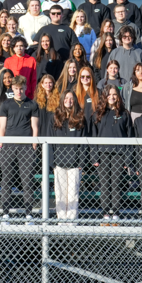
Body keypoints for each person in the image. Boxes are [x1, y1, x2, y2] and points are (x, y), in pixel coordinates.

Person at [0, 75, 40, 225]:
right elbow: (2, 127)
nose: (19, 91)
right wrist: (0, 145)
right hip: (8, 145)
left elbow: (35, 127)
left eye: (21, 88)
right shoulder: (6, 104)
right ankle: (5, 214)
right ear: (12, 89)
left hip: (26, 146)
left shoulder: (32, 104)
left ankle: (29, 214)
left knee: (27, 180)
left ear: (25, 88)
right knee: (7, 180)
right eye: (16, 88)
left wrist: (33, 145)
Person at [92, 85, 134, 222]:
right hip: (102, 153)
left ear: (118, 96)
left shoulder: (125, 114)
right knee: (104, 184)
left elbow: (129, 137)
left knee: (115, 184)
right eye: (109, 94)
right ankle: (105, 214)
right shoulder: (98, 113)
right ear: (104, 96)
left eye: (114, 94)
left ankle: (115, 213)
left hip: (119, 154)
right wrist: (94, 156)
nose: (112, 97)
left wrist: (128, 159)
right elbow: (93, 136)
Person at [50, 90, 88, 223]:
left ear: (75, 101)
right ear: (62, 100)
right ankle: (62, 221)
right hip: (59, 163)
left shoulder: (80, 118)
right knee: (60, 194)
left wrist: (81, 162)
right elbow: (49, 141)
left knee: (73, 194)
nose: (69, 101)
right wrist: (52, 163)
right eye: (66, 98)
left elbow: (84, 142)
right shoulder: (55, 117)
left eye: (71, 99)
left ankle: (71, 222)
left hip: (74, 164)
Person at [76, 66, 99, 130]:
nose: (85, 78)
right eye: (82, 76)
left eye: (88, 76)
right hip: (80, 127)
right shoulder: (75, 93)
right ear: (79, 78)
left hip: (94, 127)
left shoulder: (98, 93)